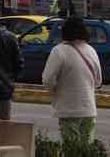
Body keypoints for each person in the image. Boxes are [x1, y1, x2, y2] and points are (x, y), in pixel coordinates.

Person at [42, 16, 102, 145]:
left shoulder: (59, 51)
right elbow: (98, 81)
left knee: (72, 149)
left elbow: (47, 80)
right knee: (86, 148)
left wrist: (55, 90)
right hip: (89, 109)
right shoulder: (91, 50)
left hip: (68, 110)